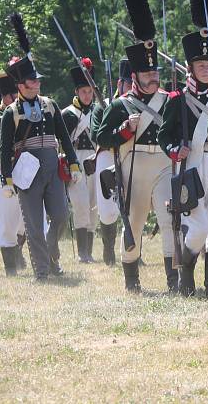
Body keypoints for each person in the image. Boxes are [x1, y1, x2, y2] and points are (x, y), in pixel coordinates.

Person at [96, 0, 174, 293]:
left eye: (155, 72)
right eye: (147, 72)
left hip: (165, 165)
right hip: (133, 167)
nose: (153, 77)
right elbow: (102, 138)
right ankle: (132, 281)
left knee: (171, 221)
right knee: (135, 224)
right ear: (136, 76)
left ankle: (175, 279)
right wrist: (122, 129)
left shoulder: (169, 101)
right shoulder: (121, 104)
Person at [158, 0, 208, 298]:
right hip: (192, 166)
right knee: (197, 227)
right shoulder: (177, 99)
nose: (205, 69)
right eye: (200, 65)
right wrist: (175, 150)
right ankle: (186, 277)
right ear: (190, 66)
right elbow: (164, 135)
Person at [0, 12, 80, 281]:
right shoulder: (10, 112)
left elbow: (64, 137)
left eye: (38, 81)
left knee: (59, 215)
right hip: (26, 171)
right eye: (32, 81)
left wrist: (73, 161)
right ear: (20, 85)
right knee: (33, 224)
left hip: (51, 167)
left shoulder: (50, 105)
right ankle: (43, 270)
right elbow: (4, 148)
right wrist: (6, 179)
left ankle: (51, 251)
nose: (37, 84)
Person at [0, 71, 28, 275]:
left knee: (23, 220)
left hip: (25, 171)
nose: (15, 99)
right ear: (4, 96)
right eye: (12, 95)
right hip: (2, 171)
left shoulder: (26, 111)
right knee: (7, 220)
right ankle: (10, 267)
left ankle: (17, 253)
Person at [93, 59, 132, 266]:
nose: (131, 88)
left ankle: (133, 252)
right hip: (107, 155)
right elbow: (97, 134)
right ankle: (108, 246)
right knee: (108, 210)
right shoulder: (104, 106)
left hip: (130, 155)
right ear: (119, 84)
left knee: (134, 205)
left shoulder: (140, 105)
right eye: (128, 84)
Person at [62, 58, 101, 263]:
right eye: (83, 91)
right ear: (77, 92)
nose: (87, 95)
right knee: (81, 205)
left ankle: (89, 252)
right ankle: (82, 253)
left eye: (90, 91)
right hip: (76, 160)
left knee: (94, 206)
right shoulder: (67, 115)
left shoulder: (97, 112)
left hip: (94, 160)